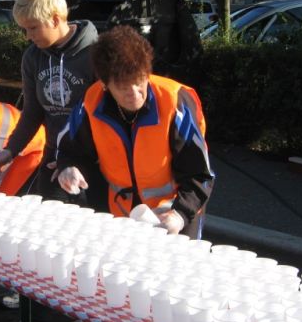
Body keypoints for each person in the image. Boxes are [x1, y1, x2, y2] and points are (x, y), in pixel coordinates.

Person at [56, 25, 214, 239]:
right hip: (122, 217)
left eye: (139, 81)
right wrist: (68, 168)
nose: (134, 93)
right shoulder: (91, 103)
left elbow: (201, 174)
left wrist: (179, 214)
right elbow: (70, 150)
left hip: (177, 214)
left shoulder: (174, 101)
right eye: (122, 86)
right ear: (104, 84)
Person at [0, 0, 99, 201]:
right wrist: (10, 151)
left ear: (55, 19)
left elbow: (106, 118)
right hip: (53, 156)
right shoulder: (33, 57)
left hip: (92, 163)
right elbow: (32, 112)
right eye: (24, 29)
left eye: (33, 28)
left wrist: (75, 161)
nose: (27, 36)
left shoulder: (95, 53)